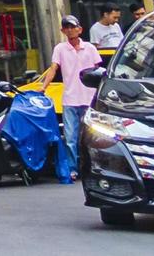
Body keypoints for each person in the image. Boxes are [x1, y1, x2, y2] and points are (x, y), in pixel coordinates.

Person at [32, 16, 103, 184]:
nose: (70, 30)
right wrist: (43, 86)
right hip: (70, 99)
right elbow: (53, 69)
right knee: (71, 138)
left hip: (89, 99)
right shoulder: (60, 49)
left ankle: (93, 168)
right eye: (66, 27)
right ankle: (73, 169)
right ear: (63, 31)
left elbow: (99, 71)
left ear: (80, 29)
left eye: (73, 27)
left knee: (92, 139)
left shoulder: (90, 48)